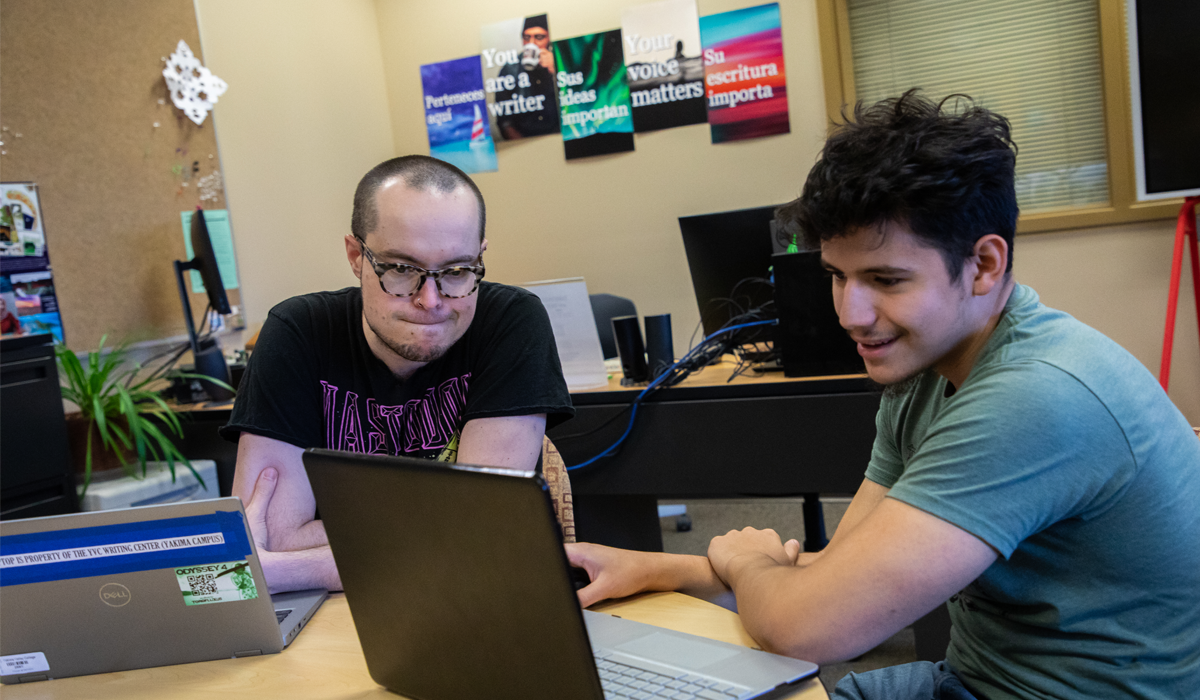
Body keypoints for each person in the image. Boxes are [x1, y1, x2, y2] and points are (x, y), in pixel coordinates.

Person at [566, 91, 1200, 699]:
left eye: (886, 279)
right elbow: (843, 570)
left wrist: (748, 565)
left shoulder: (1036, 398)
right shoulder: (927, 366)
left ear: (983, 265)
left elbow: (814, 626)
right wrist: (656, 568)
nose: (851, 313)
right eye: (837, 277)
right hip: (973, 682)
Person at [223, 155, 574, 593]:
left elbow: (483, 532)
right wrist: (446, 523)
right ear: (356, 256)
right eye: (402, 269)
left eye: (457, 271)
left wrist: (300, 565)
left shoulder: (510, 321)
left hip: (469, 601)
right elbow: (272, 536)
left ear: (480, 256)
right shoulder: (299, 332)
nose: (431, 300)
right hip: (326, 619)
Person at [494, 15, 559, 139]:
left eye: (539, 37)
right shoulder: (510, 68)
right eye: (526, 37)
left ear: (549, 38)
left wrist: (555, 70)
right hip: (525, 139)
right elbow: (504, 121)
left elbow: (578, 104)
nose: (531, 43)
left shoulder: (560, 61)